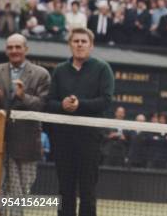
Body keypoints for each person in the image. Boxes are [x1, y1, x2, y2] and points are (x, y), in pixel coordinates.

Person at [46, 27, 115, 216]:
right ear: (70, 45)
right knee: (64, 189)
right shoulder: (59, 70)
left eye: (84, 41)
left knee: (87, 191)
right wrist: (63, 105)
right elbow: (49, 102)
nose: (80, 44)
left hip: (90, 138)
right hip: (63, 139)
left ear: (91, 46)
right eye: (76, 41)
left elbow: (106, 100)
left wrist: (79, 105)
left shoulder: (102, 68)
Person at [0, 34, 50, 216]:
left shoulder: (41, 74)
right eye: (10, 47)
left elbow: (43, 105)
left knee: (20, 193)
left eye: (18, 47)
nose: (14, 51)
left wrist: (23, 96)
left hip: (26, 144)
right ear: (6, 50)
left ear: (26, 49)